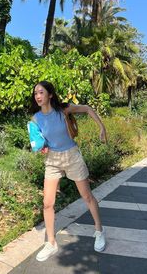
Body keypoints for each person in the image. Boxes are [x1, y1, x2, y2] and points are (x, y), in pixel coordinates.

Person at [30, 81, 107, 262]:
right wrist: (42, 147)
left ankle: (99, 230)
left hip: (72, 156)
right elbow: (40, 140)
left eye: (41, 92)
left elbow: (87, 109)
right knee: (47, 203)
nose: (38, 96)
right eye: (35, 94)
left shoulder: (63, 110)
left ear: (50, 94)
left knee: (87, 196)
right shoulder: (36, 119)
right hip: (53, 161)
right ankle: (51, 243)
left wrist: (102, 127)